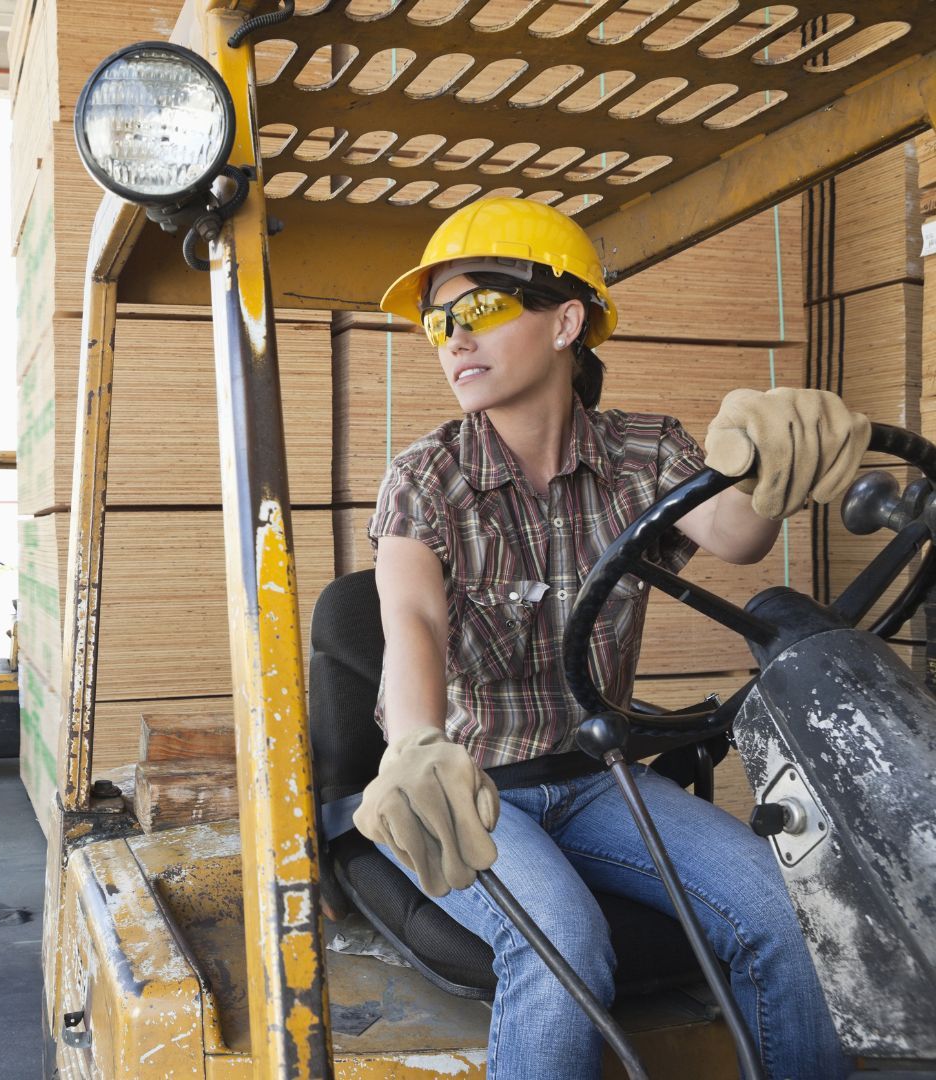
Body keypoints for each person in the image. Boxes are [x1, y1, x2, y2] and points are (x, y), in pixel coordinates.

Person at [351, 198, 860, 1079]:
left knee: (786, 913)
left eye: (475, 310)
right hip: (472, 790)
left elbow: (738, 535)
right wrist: (418, 741)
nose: (451, 340)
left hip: (597, 778)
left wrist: (770, 452)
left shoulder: (645, 454)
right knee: (564, 950)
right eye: (437, 323)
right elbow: (413, 622)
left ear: (566, 321)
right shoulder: (424, 479)